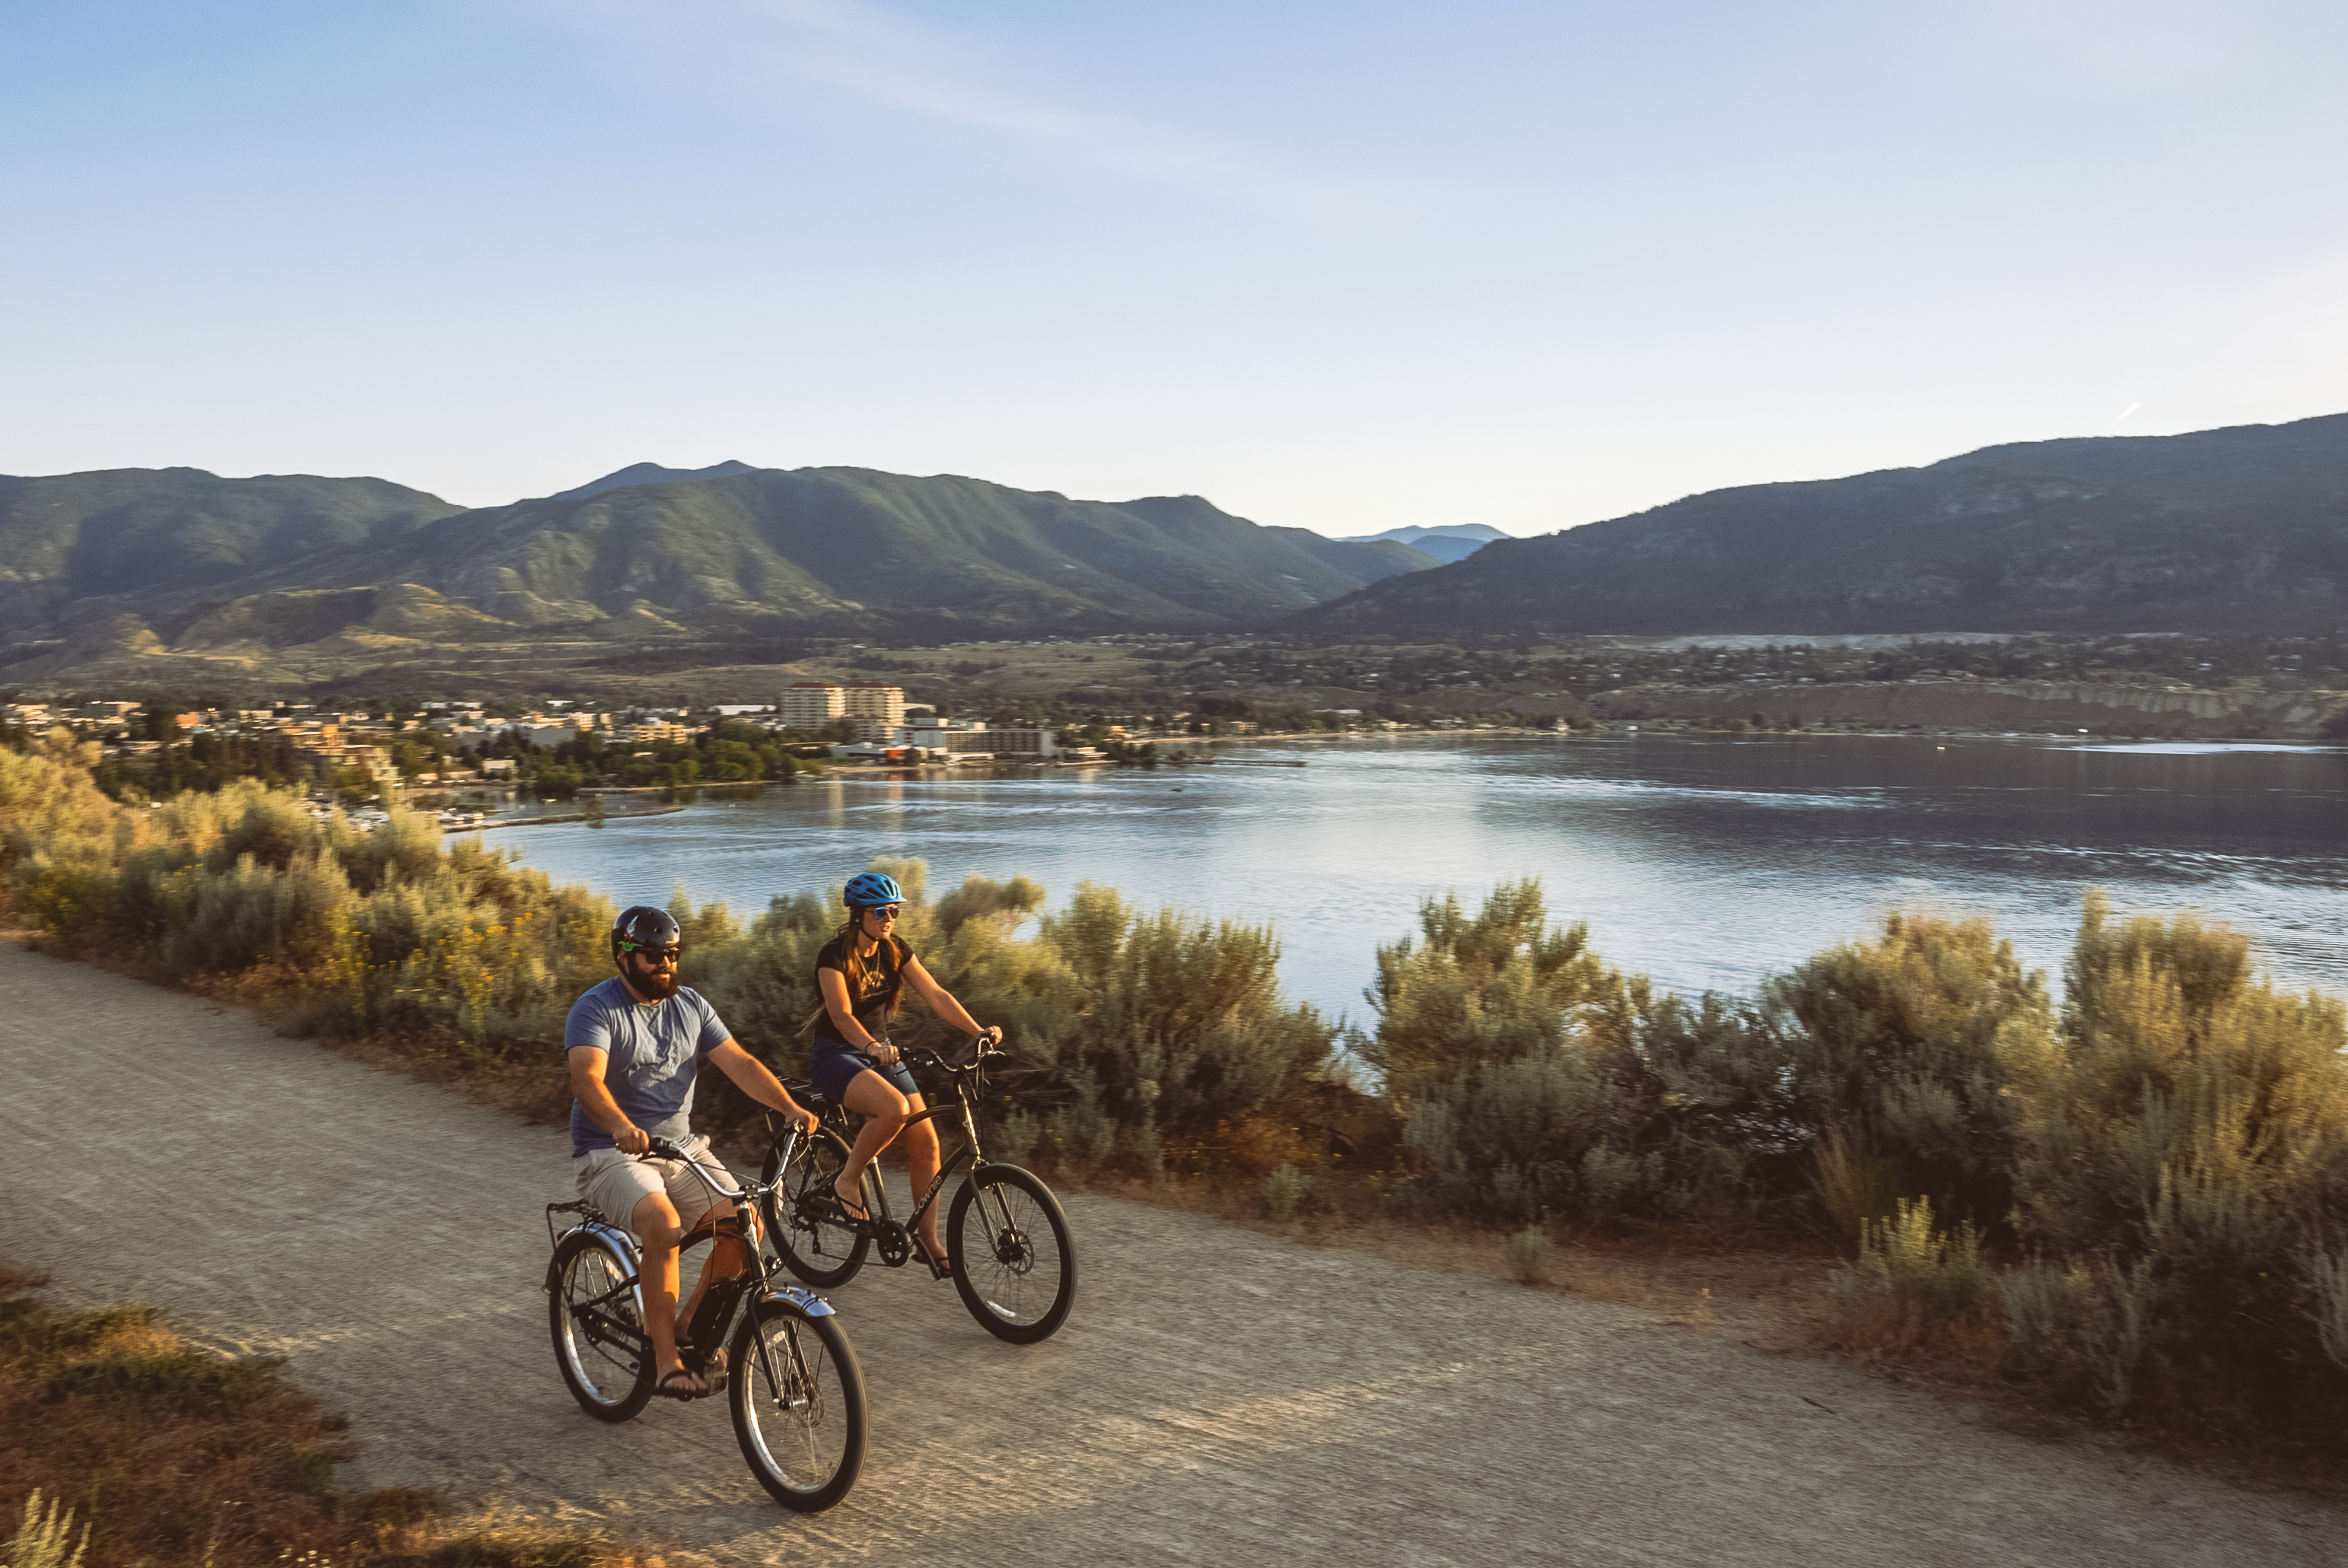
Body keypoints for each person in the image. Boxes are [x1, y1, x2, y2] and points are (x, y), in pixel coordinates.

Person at [566, 905, 819, 1400]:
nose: (665, 965)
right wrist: (620, 1125)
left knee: (746, 1224)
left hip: (680, 1148)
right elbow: (585, 1079)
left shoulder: (692, 1006)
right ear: (624, 955)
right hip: (610, 1151)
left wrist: (790, 1108)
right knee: (663, 1225)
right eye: (653, 956)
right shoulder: (596, 1008)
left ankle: (683, 1325)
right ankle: (664, 1360)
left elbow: (740, 1062)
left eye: (673, 955)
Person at [809, 872, 999, 1275]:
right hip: (836, 1055)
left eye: (894, 911)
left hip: (879, 1055)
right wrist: (872, 1047)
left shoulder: (894, 950)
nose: (889, 918)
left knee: (928, 1143)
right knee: (894, 1109)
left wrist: (978, 1030)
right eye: (881, 911)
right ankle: (848, 1180)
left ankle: (927, 1241)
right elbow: (841, 1016)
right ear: (858, 914)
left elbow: (937, 995)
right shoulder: (833, 956)